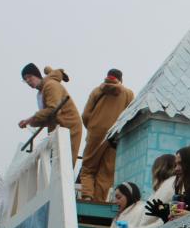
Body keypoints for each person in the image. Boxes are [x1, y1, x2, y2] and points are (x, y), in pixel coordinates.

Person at [79, 69, 135, 202]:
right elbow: (130, 115)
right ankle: (98, 201)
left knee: (88, 168)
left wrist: (93, 128)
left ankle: (87, 195)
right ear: (120, 80)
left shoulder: (97, 91)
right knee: (106, 172)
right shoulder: (128, 94)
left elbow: (85, 115)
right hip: (114, 136)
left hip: (95, 133)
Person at [18, 63, 84, 165]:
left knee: (64, 164)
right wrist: (33, 122)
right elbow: (47, 117)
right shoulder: (40, 94)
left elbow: (53, 109)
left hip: (68, 127)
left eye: (29, 77)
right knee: (54, 164)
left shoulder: (51, 85)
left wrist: (30, 120)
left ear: (37, 75)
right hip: (56, 128)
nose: (28, 81)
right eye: (25, 79)